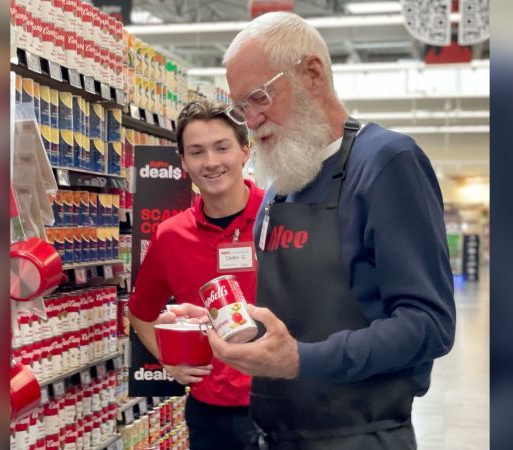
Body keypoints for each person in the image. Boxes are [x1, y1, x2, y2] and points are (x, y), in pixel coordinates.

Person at [189, 12, 456, 449]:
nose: (250, 121)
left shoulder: (385, 164)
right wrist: (219, 322)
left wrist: (301, 359)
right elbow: (291, 323)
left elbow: (429, 324)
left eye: (258, 98)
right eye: (242, 108)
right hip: (276, 435)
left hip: (359, 436)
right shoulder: (281, 191)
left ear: (311, 74)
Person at [127, 99, 263, 450]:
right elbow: (141, 310)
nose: (212, 162)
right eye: (197, 152)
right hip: (210, 413)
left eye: (222, 148)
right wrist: (169, 360)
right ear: (184, 163)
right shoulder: (171, 235)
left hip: (286, 406)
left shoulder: (280, 215)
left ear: (245, 151)